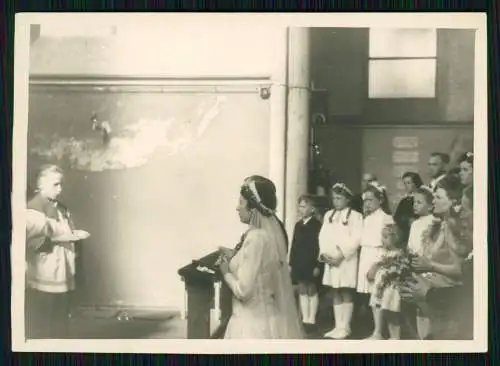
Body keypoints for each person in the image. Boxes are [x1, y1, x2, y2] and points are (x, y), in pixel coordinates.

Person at [217, 175, 304, 339]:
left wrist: (226, 271)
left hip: (250, 325)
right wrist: (235, 255)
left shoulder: (256, 238)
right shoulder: (266, 236)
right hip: (267, 317)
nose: (237, 207)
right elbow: (259, 267)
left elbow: (243, 291)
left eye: (241, 203)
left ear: (253, 209)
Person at [400, 174, 472, 339]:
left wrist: (429, 267)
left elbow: (461, 271)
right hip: (430, 295)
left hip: (446, 300)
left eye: (438, 197)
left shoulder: (455, 229)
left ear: (453, 202)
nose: (433, 201)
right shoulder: (440, 225)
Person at [25, 164, 89, 339]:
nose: (60, 189)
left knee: (60, 319)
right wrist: (70, 237)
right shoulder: (34, 208)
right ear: (40, 185)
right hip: (46, 271)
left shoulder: (62, 208)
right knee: (45, 318)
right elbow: (32, 242)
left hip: (62, 269)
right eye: (55, 185)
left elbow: (64, 231)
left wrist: (74, 235)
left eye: (60, 184)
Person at [318, 183, 363, 339]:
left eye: (339, 198)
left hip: (345, 260)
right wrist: (325, 254)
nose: (336, 201)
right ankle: (337, 326)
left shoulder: (355, 216)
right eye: (334, 198)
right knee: (335, 290)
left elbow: (356, 239)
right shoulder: (328, 215)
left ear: (347, 199)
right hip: (331, 260)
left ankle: (346, 326)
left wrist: (340, 255)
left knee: (345, 290)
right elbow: (323, 236)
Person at [356, 181, 393, 337]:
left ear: (380, 200)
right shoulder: (366, 218)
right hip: (366, 254)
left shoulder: (386, 218)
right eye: (365, 200)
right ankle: (376, 330)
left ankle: (379, 331)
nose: (367, 203)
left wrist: (377, 264)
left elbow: (390, 244)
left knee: (377, 295)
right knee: (371, 297)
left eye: (370, 200)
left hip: (378, 256)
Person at [366, 223, 406, 340]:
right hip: (380, 286)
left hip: (391, 288)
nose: (382, 240)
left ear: (395, 238)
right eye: (382, 237)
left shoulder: (399, 253)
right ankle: (378, 333)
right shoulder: (383, 253)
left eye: (386, 237)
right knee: (379, 306)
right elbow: (375, 268)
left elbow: (397, 271)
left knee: (391, 311)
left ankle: (395, 336)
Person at [289, 194, 323, 332]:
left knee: (311, 289)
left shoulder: (316, 225)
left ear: (312, 209)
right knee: (302, 288)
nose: (300, 209)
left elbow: (319, 246)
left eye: (303, 206)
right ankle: (304, 319)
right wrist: (291, 262)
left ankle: (311, 319)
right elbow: (294, 244)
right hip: (299, 262)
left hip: (311, 262)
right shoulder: (298, 225)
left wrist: (317, 265)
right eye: (299, 206)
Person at [393, 172, 424, 244]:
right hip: (404, 234)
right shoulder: (404, 201)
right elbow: (396, 217)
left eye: (408, 183)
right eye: (405, 183)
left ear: (415, 183)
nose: (406, 186)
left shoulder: (422, 199)